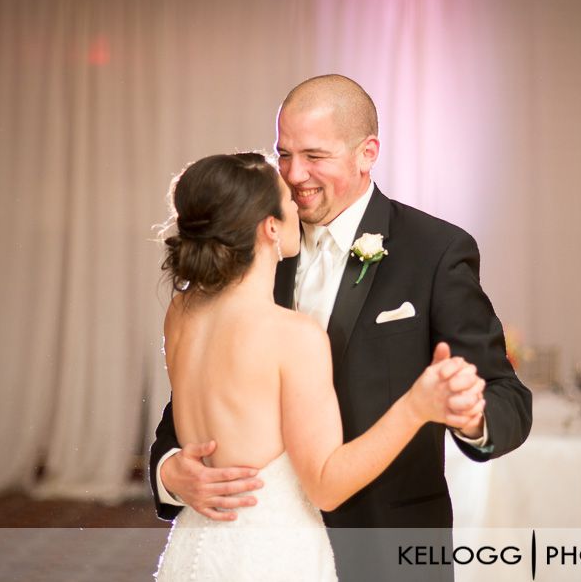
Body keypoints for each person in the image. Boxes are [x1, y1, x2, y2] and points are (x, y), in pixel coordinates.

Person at [150, 75, 533, 579]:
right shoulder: (253, 246)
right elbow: (198, 398)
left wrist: (470, 415)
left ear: (367, 153)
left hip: (387, 550)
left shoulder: (435, 251)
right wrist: (168, 470)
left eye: (314, 155)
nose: (293, 173)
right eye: (283, 153)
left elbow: (507, 394)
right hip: (265, 548)